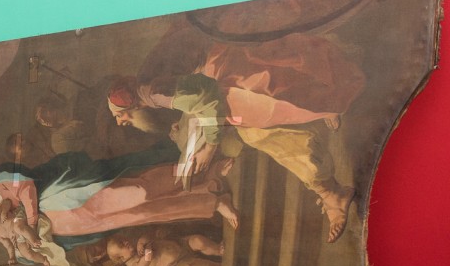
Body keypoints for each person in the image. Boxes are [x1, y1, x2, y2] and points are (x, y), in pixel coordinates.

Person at [108, 75, 355, 242]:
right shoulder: (152, 94)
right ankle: (328, 187)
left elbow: (209, 103)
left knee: (274, 138)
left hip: (233, 102)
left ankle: (333, 195)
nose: (121, 122)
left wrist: (209, 148)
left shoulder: (158, 94)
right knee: (271, 132)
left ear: (132, 106)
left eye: (120, 115)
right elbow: (196, 102)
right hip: (228, 103)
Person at [0, 146, 238, 250]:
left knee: (139, 190)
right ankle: (212, 200)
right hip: (68, 224)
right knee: (143, 213)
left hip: (66, 199)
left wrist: (30, 222)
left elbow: (27, 188)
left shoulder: (1, 177)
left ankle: (207, 172)